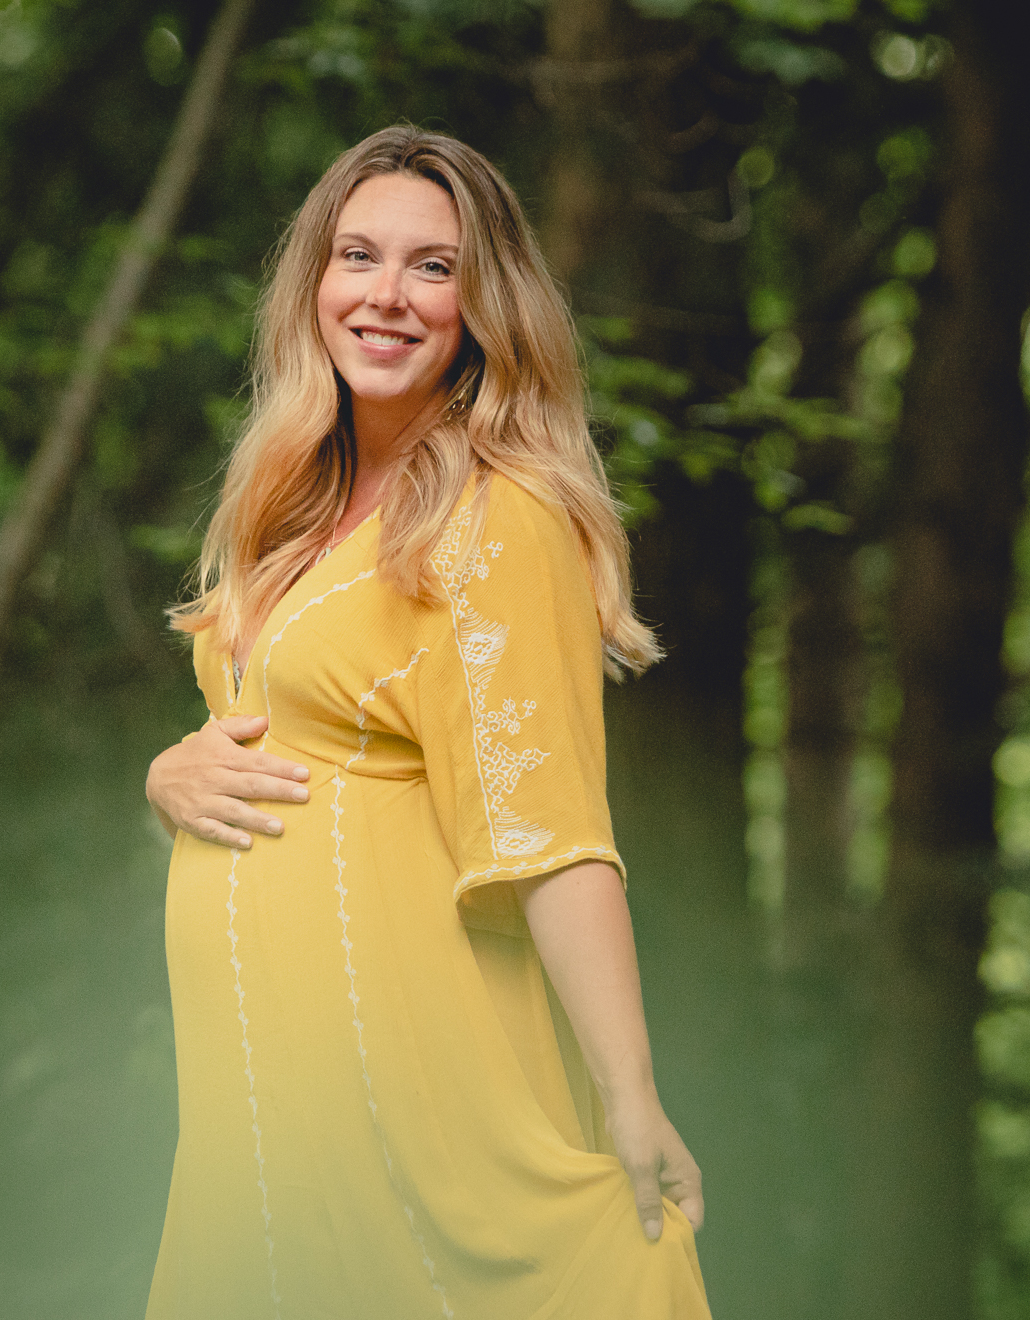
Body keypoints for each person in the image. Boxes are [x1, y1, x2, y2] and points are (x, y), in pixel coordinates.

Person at [140, 125, 708, 1319]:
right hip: (256, 1103)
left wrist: (631, 1093)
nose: (385, 296)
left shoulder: (500, 520)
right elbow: (279, 754)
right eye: (358, 257)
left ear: (484, 304)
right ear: (314, 286)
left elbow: (553, 834)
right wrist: (168, 784)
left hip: (400, 1069)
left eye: (432, 268)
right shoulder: (293, 513)